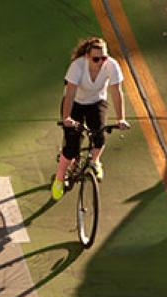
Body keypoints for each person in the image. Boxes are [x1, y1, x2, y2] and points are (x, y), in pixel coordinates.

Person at [52, 37, 130, 201]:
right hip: (75, 104)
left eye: (104, 58)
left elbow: (116, 92)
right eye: (96, 59)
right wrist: (67, 117)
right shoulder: (77, 66)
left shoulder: (112, 66)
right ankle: (59, 178)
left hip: (96, 102)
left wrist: (121, 118)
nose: (101, 62)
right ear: (87, 57)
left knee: (99, 136)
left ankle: (95, 161)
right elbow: (70, 93)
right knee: (72, 145)